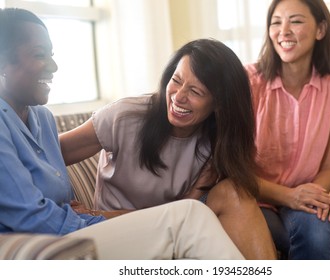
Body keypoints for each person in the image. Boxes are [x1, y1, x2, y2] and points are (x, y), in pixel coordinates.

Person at [0, 7, 251, 260]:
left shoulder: (42, 118)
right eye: (39, 54)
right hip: (46, 243)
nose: (54, 65)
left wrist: (104, 218)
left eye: (196, 92)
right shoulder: (126, 117)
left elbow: (61, 198)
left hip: (74, 232)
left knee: (200, 213)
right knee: (188, 218)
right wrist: (105, 219)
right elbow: (32, 219)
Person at [59, 39, 276, 259]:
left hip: (171, 228)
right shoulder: (124, 117)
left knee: (235, 192)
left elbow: (182, 214)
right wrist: (55, 209)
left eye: (195, 91)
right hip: (114, 226)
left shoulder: (215, 141)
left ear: (218, 104)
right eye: (176, 80)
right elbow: (48, 152)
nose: (178, 96)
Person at [245, 0, 330, 259]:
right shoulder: (248, 83)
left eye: (295, 21)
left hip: (303, 200)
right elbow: (232, 170)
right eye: (276, 22)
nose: (283, 31)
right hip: (253, 200)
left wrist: (308, 195)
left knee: (327, 243)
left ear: (320, 30)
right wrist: (290, 196)